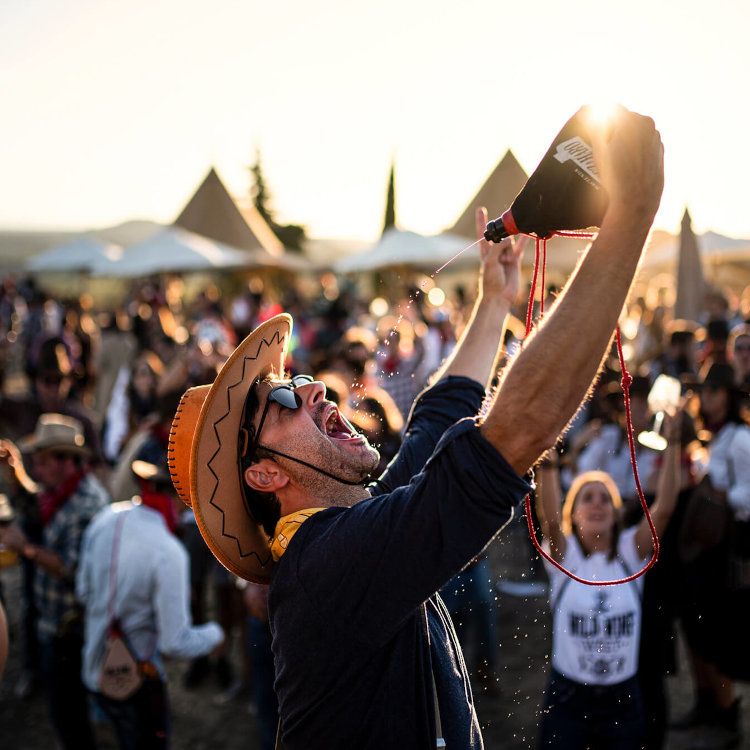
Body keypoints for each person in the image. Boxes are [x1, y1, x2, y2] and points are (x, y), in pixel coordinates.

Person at [171, 108, 663, 748]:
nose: (313, 385)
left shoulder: (346, 527)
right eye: (284, 398)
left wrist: (493, 306)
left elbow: (436, 420)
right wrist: (630, 219)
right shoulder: (327, 566)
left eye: (297, 377)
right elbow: (514, 434)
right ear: (263, 473)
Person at [534, 412, 680, 749]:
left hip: (622, 699)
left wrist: (673, 443)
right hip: (568, 697)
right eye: (587, 497)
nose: (597, 503)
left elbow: (666, 507)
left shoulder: (631, 553)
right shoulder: (565, 557)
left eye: (605, 498)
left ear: (617, 513)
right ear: (574, 512)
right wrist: (549, 461)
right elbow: (550, 519)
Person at [76, 446, 224, 749]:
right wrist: (215, 634)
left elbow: (83, 592)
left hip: (92, 668)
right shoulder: (168, 552)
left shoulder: (106, 517)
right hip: (139, 683)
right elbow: (175, 642)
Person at [0, 413, 109, 750]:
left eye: (42, 460)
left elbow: (75, 572)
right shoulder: (61, 490)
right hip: (54, 624)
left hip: (70, 631)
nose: (36, 467)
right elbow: (37, 503)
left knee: (69, 715)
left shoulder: (86, 506)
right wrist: (15, 473)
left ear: (66, 461)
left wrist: (26, 549)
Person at [673, 363, 750, 749]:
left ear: (729, 395)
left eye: (716, 390)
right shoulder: (712, 437)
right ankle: (709, 706)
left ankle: (728, 717)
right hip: (704, 552)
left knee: (720, 637)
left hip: (728, 553)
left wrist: (722, 496)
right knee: (699, 633)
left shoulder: (738, 438)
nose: (709, 397)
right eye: (706, 390)